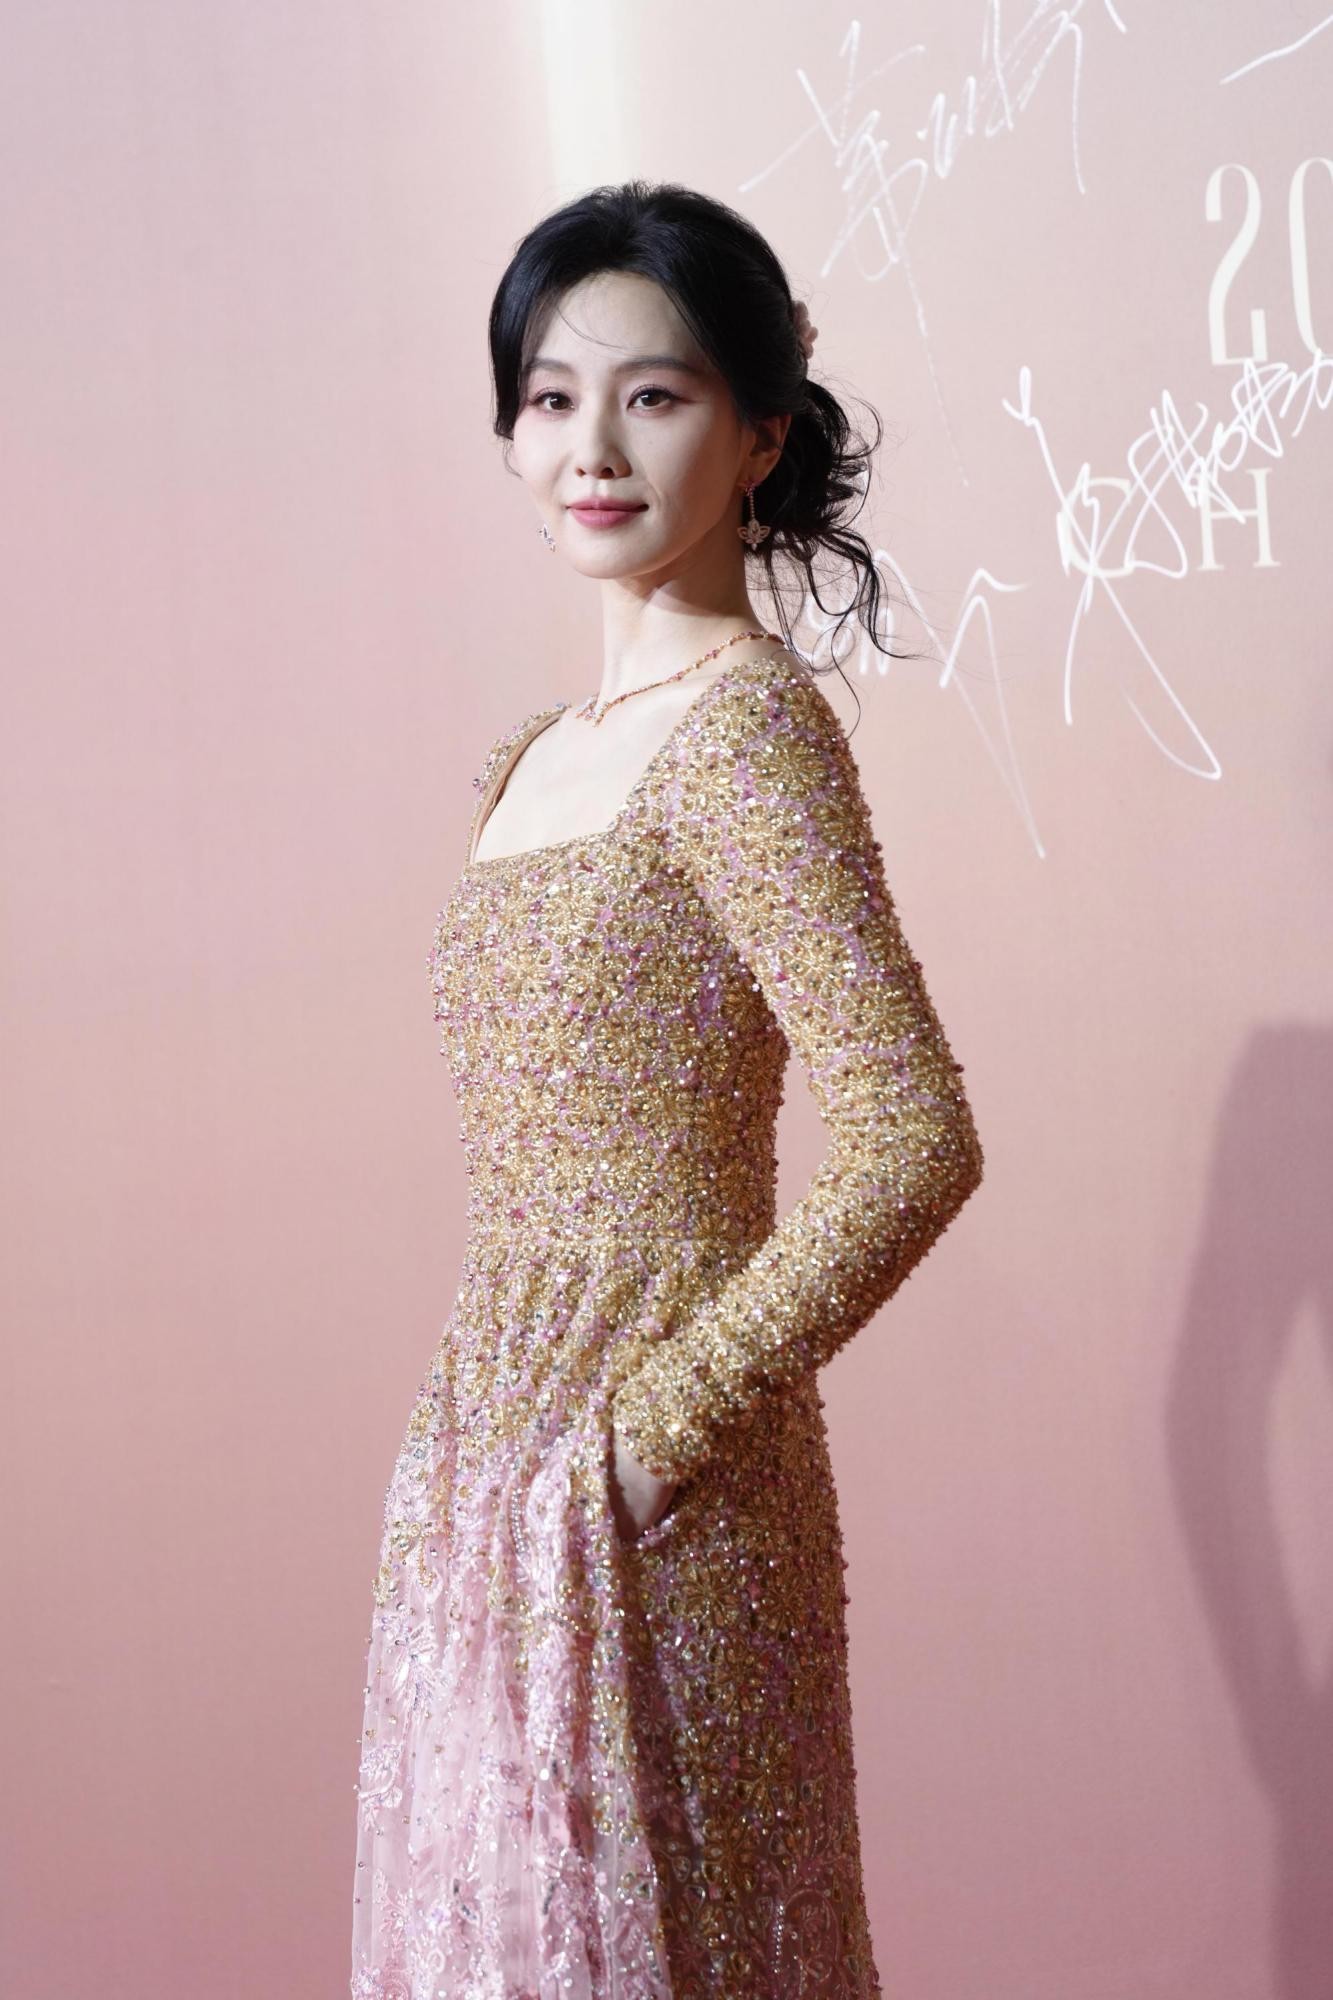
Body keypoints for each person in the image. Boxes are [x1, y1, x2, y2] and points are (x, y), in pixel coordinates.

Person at [351, 179, 985, 2000]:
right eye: (549, 399)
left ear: (760, 432)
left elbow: (912, 1133)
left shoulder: (744, 733)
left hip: (659, 1489)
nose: (593, 449)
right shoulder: (526, 759)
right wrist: (515, 1469)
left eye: (655, 395)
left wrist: (650, 1436)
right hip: (483, 1462)